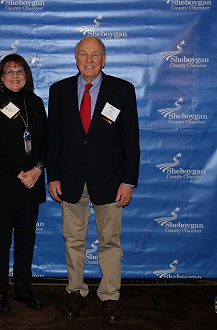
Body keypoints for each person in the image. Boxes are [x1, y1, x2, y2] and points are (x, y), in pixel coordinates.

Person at [46, 36, 140, 324]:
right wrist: (53, 176)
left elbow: (130, 140)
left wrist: (128, 180)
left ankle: (110, 295)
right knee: (73, 240)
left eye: (95, 55)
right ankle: (75, 291)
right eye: (83, 54)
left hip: (110, 181)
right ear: (76, 58)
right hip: (71, 180)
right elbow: (54, 140)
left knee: (110, 241)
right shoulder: (59, 90)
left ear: (104, 59)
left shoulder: (123, 90)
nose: (89, 60)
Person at [0, 54, 47, 312]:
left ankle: (23, 290)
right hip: (3, 185)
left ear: (27, 76)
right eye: (10, 72)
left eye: (20, 71)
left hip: (32, 184)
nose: (15, 76)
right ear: (1, 77)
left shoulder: (35, 103)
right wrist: (21, 173)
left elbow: (45, 141)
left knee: (26, 239)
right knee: (0, 241)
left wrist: (38, 169)